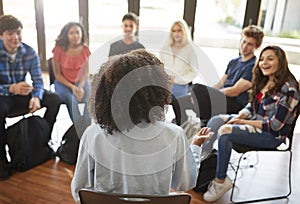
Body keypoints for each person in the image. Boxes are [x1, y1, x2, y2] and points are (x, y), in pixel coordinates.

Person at [71, 49, 210, 203]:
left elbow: (79, 191)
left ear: (106, 94)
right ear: (157, 90)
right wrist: (195, 148)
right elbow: (185, 183)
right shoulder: (174, 135)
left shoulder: (93, 134)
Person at [199, 45, 300, 202]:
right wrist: (240, 116)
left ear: (281, 62)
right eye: (262, 59)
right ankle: (199, 164)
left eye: (270, 59)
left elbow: (274, 126)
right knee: (216, 120)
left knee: (226, 131)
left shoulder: (289, 89)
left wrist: (241, 122)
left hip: (271, 135)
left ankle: (220, 181)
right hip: (254, 122)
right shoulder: (265, 81)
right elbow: (251, 105)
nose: (264, 63)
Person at [0, 15, 61, 180]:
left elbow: (38, 81)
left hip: (23, 94)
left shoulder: (29, 51)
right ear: (1, 35)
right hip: (3, 96)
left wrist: (36, 97)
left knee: (54, 99)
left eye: (18, 33)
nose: (15, 38)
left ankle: (42, 141)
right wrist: (11, 88)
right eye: (10, 34)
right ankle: (2, 159)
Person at [191, 25, 264, 124]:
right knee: (189, 96)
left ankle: (204, 122)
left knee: (197, 88)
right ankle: (203, 121)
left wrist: (209, 94)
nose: (245, 46)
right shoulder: (233, 62)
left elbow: (235, 91)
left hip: (235, 103)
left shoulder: (253, 66)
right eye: (243, 41)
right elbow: (220, 83)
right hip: (224, 97)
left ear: (257, 46)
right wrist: (207, 93)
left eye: (250, 44)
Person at [52, 22, 91, 123]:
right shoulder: (58, 50)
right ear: (66, 35)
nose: (75, 36)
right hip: (63, 83)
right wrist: (73, 87)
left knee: (90, 97)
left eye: (78, 32)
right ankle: (77, 129)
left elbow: (85, 73)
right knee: (72, 100)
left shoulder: (85, 50)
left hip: (81, 82)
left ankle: (88, 127)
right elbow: (57, 75)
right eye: (72, 33)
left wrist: (80, 87)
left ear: (82, 34)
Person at [159, 19, 198, 99]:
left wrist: (179, 80)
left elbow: (194, 71)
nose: (176, 33)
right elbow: (159, 66)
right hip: (164, 85)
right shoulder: (165, 48)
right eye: (174, 31)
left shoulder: (190, 49)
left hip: (181, 87)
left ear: (184, 31)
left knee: (179, 109)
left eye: (179, 30)